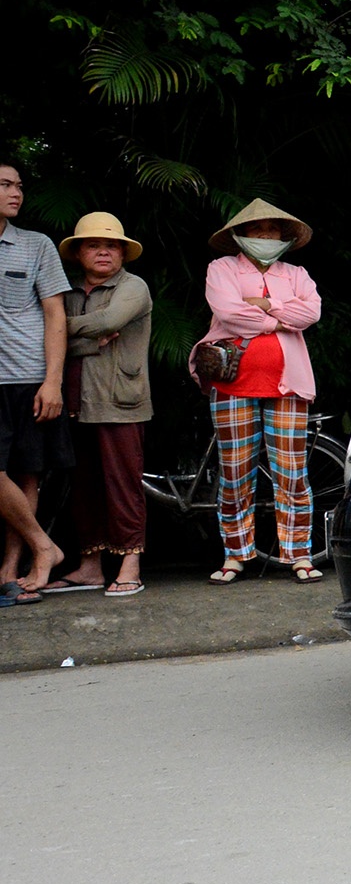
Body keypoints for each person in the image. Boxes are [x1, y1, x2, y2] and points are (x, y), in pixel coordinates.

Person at [195, 199, 323, 583]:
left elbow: (312, 313)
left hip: (289, 386)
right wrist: (282, 318)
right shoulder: (222, 268)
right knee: (235, 471)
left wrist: (267, 305)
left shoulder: (296, 273)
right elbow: (228, 311)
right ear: (242, 235)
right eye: (258, 230)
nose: (266, 236)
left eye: (272, 230)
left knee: (292, 472)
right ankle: (235, 554)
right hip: (232, 384)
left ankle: (299, 554)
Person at [47, 212, 151, 596]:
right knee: (84, 486)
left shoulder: (133, 286)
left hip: (121, 402)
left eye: (111, 245)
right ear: (78, 253)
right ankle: (90, 567)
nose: (104, 251)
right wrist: (87, 339)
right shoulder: (68, 291)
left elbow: (111, 319)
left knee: (123, 485)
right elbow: (62, 338)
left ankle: (130, 564)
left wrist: (58, 326)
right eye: (94, 245)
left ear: (123, 254)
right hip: (74, 400)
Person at [0, 160, 70, 599]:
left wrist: (53, 381)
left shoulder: (36, 244)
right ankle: (45, 547)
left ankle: (9, 570)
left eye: (18, 185)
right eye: (5, 184)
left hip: (28, 376)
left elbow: (54, 313)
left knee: (28, 471)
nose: (16, 193)